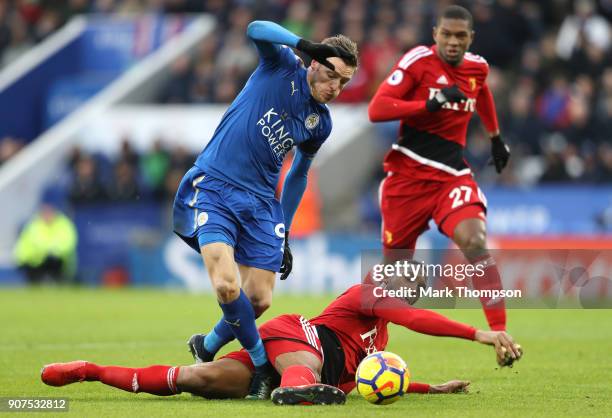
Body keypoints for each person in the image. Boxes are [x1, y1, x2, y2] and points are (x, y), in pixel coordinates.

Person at [172, 20, 358, 398]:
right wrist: (304, 43)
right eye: (331, 75)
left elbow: (299, 176)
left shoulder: (319, 123)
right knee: (226, 285)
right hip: (217, 186)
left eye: (344, 82)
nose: (335, 88)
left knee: (259, 299)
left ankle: (206, 345)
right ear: (314, 63)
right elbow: (256, 28)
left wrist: (285, 231)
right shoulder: (280, 66)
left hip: (261, 206)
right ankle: (259, 364)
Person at [41, 272, 522, 405]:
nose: (406, 296)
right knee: (309, 370)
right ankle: (293, 391)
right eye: (404, 287)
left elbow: (364, 385)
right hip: (298, 337)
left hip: (298, 369)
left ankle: (89, 371)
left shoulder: (378, 345)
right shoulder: (365, 295)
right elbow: (420, 321)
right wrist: (482, 332)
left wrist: (427, 387)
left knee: (197, 379)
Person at [368, 5, 511, 331]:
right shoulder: (418, 61)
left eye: (461, 35)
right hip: (406, 179)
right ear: (435, 34)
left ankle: (500, 334)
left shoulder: (478, 68)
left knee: (474, 241)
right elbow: (377, 109)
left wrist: (495, 138)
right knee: (396, 280)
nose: (453, 41)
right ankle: (368, 343)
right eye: (446, 34)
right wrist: (428, 105)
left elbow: (483, 93)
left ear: (470, 38)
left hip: (450, 177)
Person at [14, 190, 78, 284]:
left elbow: (67, 243)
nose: (47, 213)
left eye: (49, 209)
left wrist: (52, 251)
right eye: (45, 209)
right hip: (35, 262)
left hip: (57, 262)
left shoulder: (64, 224)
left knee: (54, 261)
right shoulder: (34, 224)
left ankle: (52, 281)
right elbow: (26, 245)